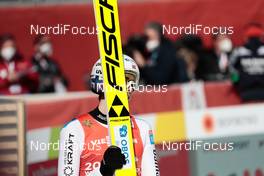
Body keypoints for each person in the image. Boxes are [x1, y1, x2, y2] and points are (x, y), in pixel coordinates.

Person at [58, 55, 160, 176]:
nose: (130, 86)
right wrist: (104, 171)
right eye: (124, 79)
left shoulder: (143, 128)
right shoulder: (74, 129)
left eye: (132, 81)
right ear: (102, 80)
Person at [230, 23, 264, 101]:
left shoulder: (238, 52)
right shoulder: (239, 52)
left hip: (246, 93)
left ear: (246, 38)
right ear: (261, 37)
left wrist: (236, 83)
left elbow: (232, 71)